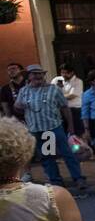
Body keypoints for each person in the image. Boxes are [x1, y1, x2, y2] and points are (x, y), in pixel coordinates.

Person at [14, 65, 86, 193]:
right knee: (48, 156)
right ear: (29, 76)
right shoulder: (24, 91)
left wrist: (70, 126)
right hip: (37, 129)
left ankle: (78, 178)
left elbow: (64, 107)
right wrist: (18, 105)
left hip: (54, 127)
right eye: (34, 74)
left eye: (40, 73)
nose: (38, 76)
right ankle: (56, 182)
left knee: (67, 154)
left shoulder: (53, 89)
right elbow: (17, 107)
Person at [58, 65, 83, 135]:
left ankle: (78, 146)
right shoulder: (60, 80)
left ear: (72, 72)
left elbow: (72, 96)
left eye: (66, 73)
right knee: (66, 132)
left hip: (74, 110)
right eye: (62, 73)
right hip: (63, 110)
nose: (63, 75)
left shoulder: (78, 81)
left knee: (76, 132)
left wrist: (59, 96)